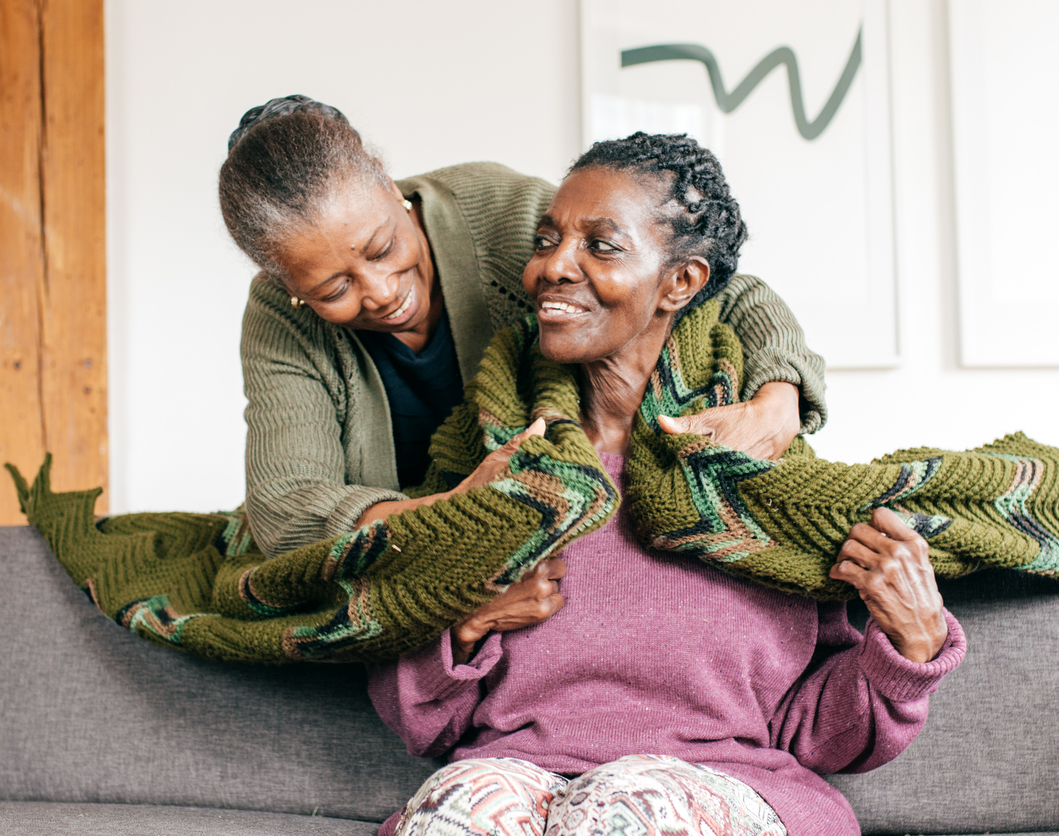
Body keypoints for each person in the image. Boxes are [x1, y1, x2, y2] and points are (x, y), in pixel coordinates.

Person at [365, 133, 965, 836]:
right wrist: (468, 622)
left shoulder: (762, 488)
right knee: (461, 807)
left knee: (626, 804)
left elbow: (819, 735)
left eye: (601, 245)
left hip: (722, 787)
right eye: (547, 240)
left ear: (679, 283)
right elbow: (422, 720)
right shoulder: (488, 474)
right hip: (517, 777)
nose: (553, 267)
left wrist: (912, 644)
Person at [219, 96, 827, 558]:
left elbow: (717, 285)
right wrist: (455, 512)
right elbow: (285, 510)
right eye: (333, 289)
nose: (380, 293)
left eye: (382, 248)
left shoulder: (500, 212)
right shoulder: (280, 316)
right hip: (413, 553)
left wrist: (780, 401)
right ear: (287, 283)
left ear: (387, 182)